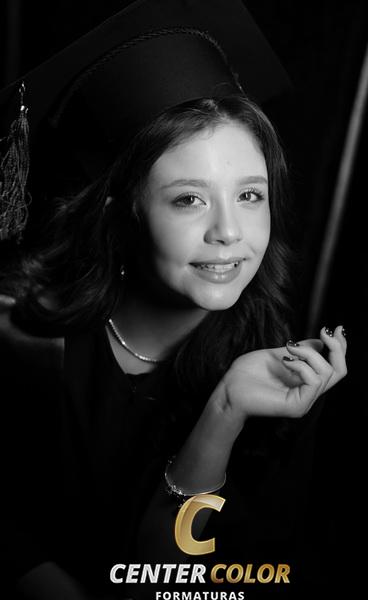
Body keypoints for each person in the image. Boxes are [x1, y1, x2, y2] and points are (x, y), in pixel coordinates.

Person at [0, 1, 347, 598]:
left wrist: (226, 408)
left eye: (250, 195)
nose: (229, 233)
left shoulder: (285, 383)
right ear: (122, 215)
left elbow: (168, 585)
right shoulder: (22, 343)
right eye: (189, 199)